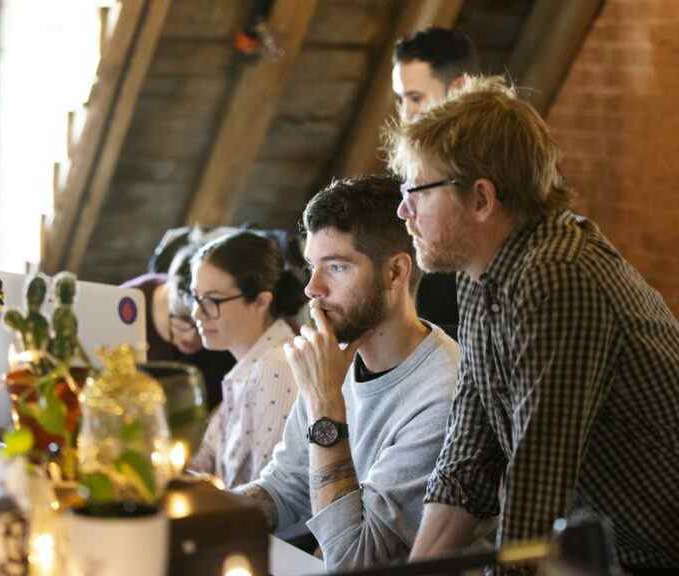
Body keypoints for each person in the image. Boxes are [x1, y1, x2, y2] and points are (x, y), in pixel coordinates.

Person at [388, 75, 679, 574]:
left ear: (481, 199)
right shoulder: (481, 274)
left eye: (417, 190)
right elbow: (467, 462)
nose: (403, 210)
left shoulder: (557, 276)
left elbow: (535, 492)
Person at [234, 175, 459, 571]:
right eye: (311, 267)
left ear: (395, 273)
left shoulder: (444, 392)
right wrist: (203, 513)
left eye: (336, 267)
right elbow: (287, 489)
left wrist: (325, 405)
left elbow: (355, 561)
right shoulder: (335, 360)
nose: (312, 289)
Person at [188, 230, 306, 489]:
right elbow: (204, 458)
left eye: (213, 300)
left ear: (261, 301)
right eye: (195, 297)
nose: (197, 313)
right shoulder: (248, 365)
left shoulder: (277, 367)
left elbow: (266, 491)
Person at [392, 27, 479, 335]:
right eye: (401, 99)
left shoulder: (490, 165)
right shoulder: (412, 165)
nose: (406, 113)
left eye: (415, 97)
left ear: (459, 89)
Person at [121, 243, 235, 410]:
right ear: (168, 288)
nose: (192, 337)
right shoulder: (127, 302)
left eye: (205, 320)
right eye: (183, 319)